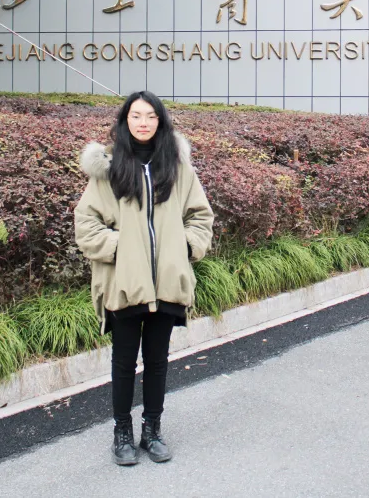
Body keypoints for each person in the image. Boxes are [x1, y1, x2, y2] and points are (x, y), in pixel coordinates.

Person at [74, 91, 215, 466]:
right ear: (125, 121)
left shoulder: (178, 168)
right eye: (136, 115)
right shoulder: (109, 169)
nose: (143, 122)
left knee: (157, 361)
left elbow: (201, 217)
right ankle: (122, 432)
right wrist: (119, 247)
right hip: (125, 284)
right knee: (123, 363)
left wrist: (184, 247)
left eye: (151, 116)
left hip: (167, 282)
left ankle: (152, 430)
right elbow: (86, 223)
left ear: (160, 121)